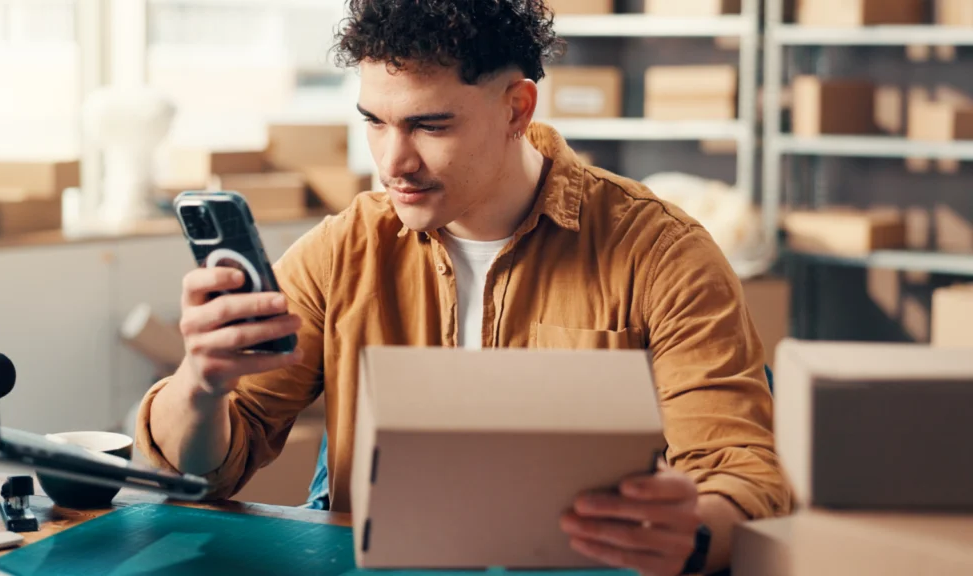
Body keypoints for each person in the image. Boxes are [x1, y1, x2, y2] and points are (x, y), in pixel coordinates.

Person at [136, 1, 791, 573]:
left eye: (429, 125)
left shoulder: (662, 253)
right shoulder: (345, 250)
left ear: (516, 108)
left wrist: (693, 533)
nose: (393, 162)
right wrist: (201, 384)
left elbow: (743, 476)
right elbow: (198, 472)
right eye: (375, 121)